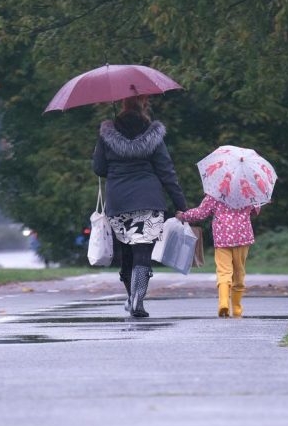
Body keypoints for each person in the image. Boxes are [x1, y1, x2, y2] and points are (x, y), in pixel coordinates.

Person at [92, 94, 188, 317]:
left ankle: (130, 296)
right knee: (142, 249)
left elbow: (99, 169)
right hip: (148, 199)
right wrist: (181, 204)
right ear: (144, 104)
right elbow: (167, 172)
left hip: (119, 201)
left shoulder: (107, 133)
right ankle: (138, 300)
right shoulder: (153, 134)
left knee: (126, 250)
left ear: (123, 104)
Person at [176, 195, 262, 318]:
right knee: (239, 272)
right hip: (242, 238)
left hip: (222, 239)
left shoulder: (214, 194)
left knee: (223, 272)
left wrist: (184, 216)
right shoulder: (246, 192)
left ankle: (223, 303)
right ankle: (237, 308)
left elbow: (200, 213)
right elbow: (255, 211)